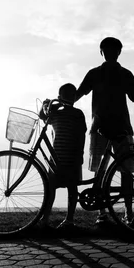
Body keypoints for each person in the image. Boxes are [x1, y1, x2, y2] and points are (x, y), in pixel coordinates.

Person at [75, 37, 134, 224]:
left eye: (113, 50)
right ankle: (113, 213)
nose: (110, 53)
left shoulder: (117, 74)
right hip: (107, 128)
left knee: (117, 171)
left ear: (118, 52)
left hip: (113, 128)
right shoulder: (103, 74)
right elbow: (78, 94)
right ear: (102, 52)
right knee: (110, 171)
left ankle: (117, 214)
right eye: (108, 50)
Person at [39, 83, 87, 230]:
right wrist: (80, 153)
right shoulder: (77, 113)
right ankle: (69, 219)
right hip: (71, 156)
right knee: (71, 190)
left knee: (52, 189)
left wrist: (47, 104)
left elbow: (42, 115)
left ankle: (46, 219)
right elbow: (82, 134)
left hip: (58, 156)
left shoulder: (56, 113)